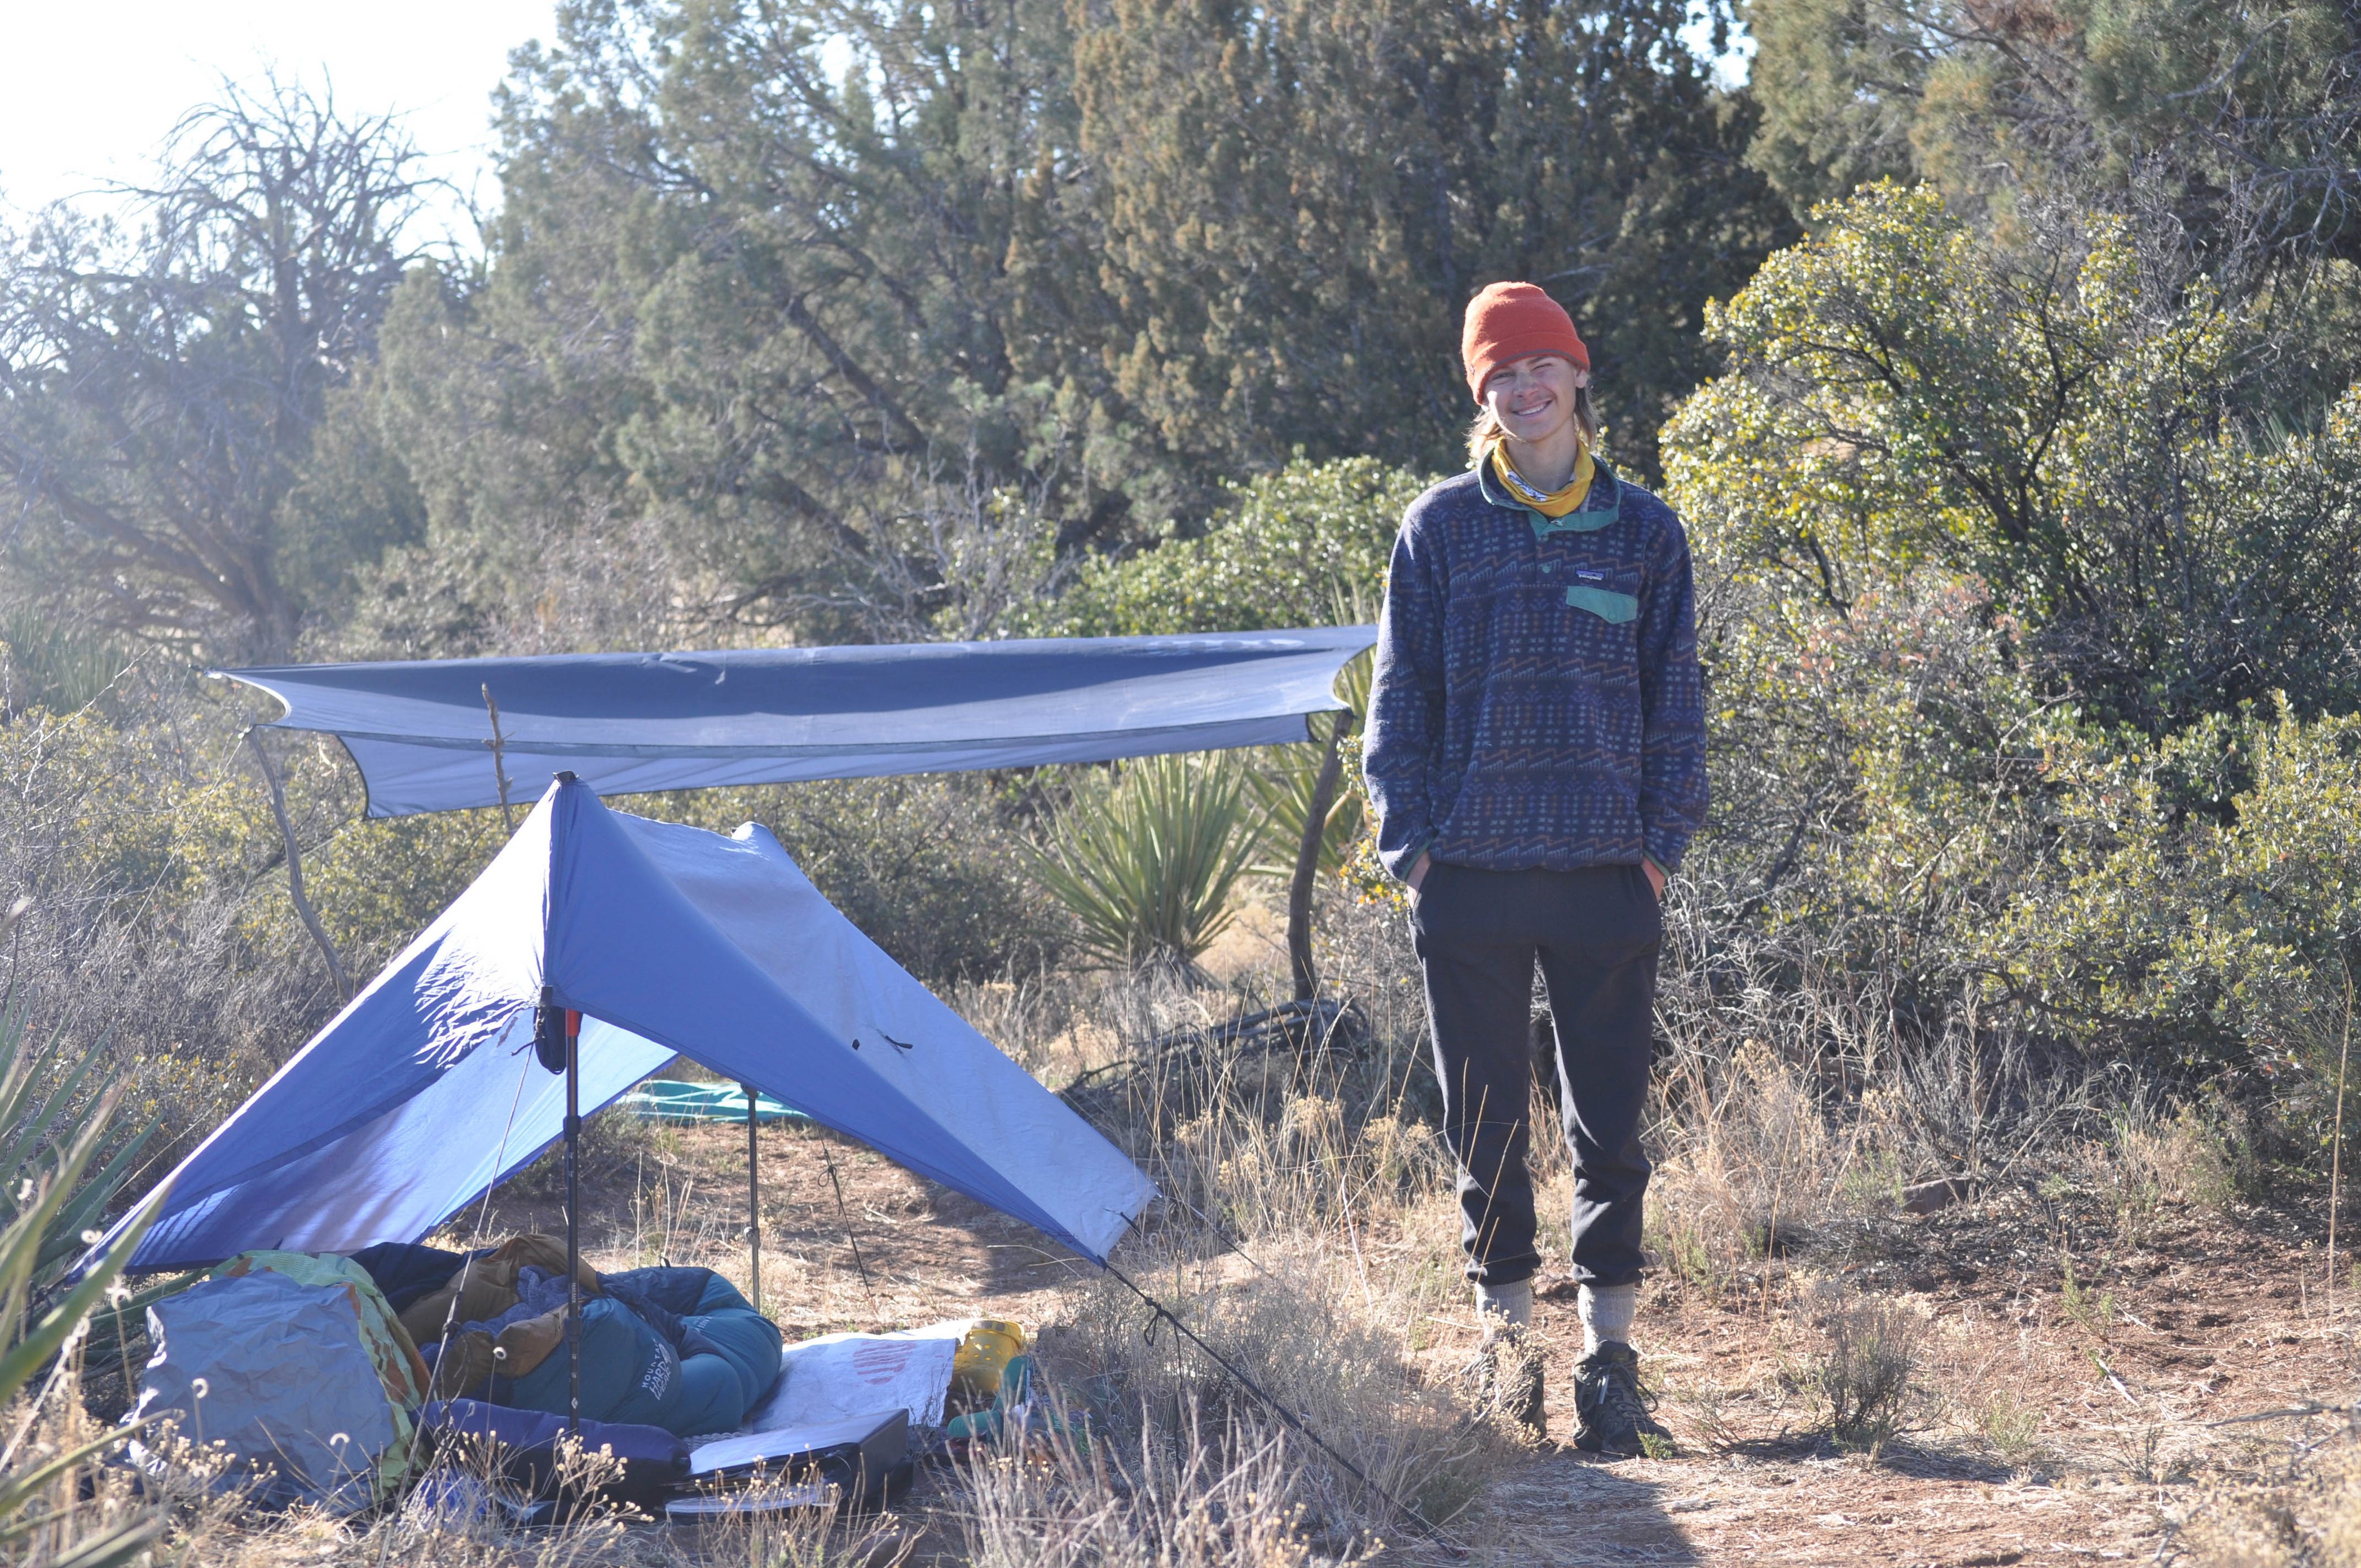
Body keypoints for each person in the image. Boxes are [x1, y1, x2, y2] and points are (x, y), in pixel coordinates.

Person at [1362, 281, 1707, 1454]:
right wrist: (1411, 850)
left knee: (1606, 1129)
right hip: (1469, 877)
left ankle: (1608, 1365)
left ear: (1576, 378)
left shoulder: (1646, 532)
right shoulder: (1438, 528)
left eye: (1541, 367)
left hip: (1607, 875)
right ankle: (1505, 1355)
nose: (1524, 388)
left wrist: (1657, 848)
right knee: (1486, 1125)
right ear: (1482, 397)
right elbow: (1397, 699)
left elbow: (1679, 710)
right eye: (1500, 374)